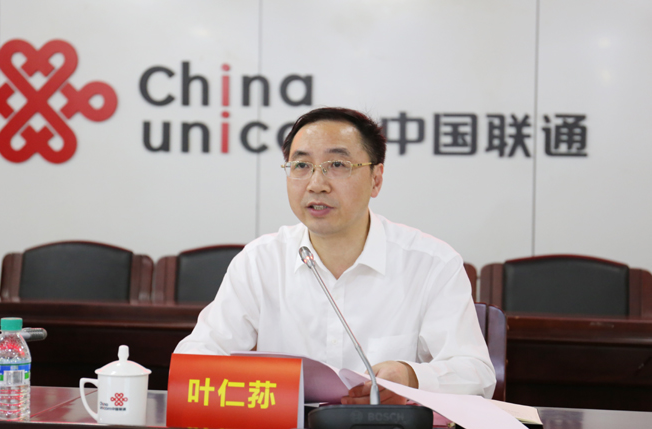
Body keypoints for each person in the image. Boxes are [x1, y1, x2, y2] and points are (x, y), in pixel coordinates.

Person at [175, 107, 496, 403]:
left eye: (338, 165)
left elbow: (477, 375)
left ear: (376, 179)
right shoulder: (260, 261)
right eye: (301, 165)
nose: (317, 184)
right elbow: (196, 359)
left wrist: (410, 377)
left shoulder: (431, 264)